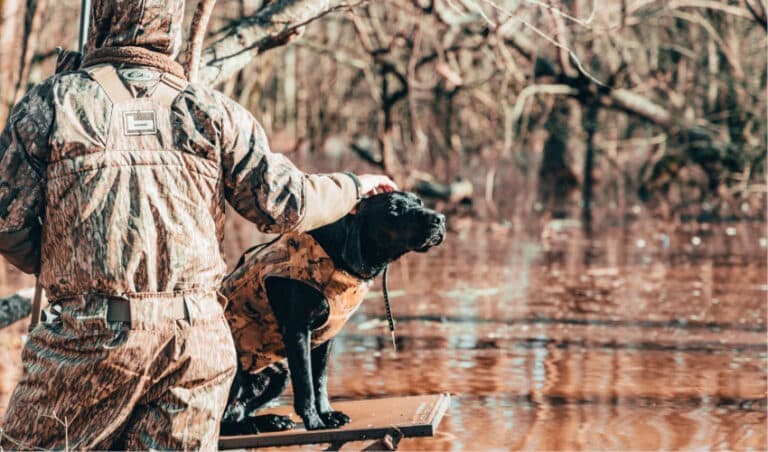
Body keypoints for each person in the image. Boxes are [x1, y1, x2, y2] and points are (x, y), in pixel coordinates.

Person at [0, 0, 396, 449]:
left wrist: (60, 263)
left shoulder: (52, 102)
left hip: (89, 336)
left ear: (103, 17)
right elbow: (286, 205)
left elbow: (7, 226)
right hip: (196, 346)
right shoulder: (211, 109)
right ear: (174, 22)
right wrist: (354, 187)